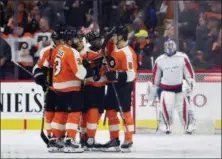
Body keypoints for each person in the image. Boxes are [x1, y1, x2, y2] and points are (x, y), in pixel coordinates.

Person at [49, 29, 86, 153]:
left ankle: (55, 139)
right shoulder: (72, 52)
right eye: (75, 39)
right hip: (71, 87)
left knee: (60, 113)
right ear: (69, 40)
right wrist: (88, 69)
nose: (77, 41)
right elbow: (80, 73)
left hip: (58, 87)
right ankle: (70, 140)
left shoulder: (59, 49)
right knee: (74, 113)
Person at [148, 39, 195, 134]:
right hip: (166, 88)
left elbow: (189, 73)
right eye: (167, 47)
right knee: (165, 108)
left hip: (180, 88)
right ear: (164, 48)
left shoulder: (182, 57)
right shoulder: (160, 60)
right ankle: (165, 126)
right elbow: (155, 78)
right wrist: (152, 91)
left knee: (184, 108)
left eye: (171, 46)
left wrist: (190, 83)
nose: (169, 49)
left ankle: (189, 125)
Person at [103, 25, 137, 152]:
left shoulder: (128, 52)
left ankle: (128, 139)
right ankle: (114, 139)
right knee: (111, 112)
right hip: (113, 85)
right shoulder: (115, 47)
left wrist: (116, 74)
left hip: (124, 86)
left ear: (121, 37)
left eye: (115, 35)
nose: (113, 38)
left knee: (125, 113)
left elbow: (131, 74)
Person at [32, 30, 65, 150]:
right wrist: (39, 77)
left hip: (63, 87)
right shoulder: (46, 51)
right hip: (50, 87)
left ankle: (60, 137)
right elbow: (38, 67)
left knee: (62, 113)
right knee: (50, 113)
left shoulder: (68, 50)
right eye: (56, 39)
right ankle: (52, 137)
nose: (58, 42)